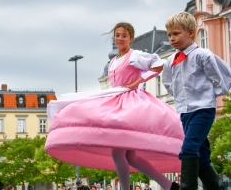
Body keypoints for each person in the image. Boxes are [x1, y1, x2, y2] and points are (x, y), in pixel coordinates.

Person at [45, 22, 184, 190]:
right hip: (118, 100)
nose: (120, 38)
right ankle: (169, 185)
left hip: (130, 103)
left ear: (130, 38)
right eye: (117, 35)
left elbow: (158, 64)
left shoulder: (134, 55)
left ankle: (138, 188)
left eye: (124, 36)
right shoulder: (113, 62)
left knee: (117, 153)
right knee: (130, 156)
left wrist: (138, 81)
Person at [163, 11, 231, 190]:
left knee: (189, 148)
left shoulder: (203, 55)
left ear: (190, 33)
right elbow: (168, 82)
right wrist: (179, 97)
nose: (172, 38)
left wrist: (208, 95)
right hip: (185, 111)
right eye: (169, 35)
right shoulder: (171, 61)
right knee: (201, 155)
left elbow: (221, 76)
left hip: (203, 110)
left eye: (176, 34)